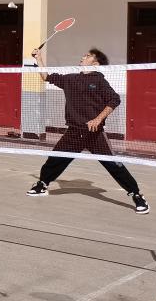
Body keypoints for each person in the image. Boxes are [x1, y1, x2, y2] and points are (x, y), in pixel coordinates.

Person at [27, 47, 149, 213]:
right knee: (55, 159)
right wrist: (39, 59)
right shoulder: (71, 79)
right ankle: (42, 184)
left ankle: (136, 194)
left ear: (95, 63)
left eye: (88, 56)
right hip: (74, 131)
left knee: (113, 164)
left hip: (94, 134)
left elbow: (114, 99)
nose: (83, 57)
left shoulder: (99, 81)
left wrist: (98, 119)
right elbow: (46, 76)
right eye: (84, 55)